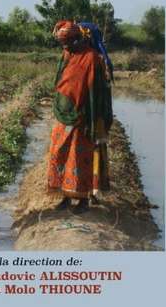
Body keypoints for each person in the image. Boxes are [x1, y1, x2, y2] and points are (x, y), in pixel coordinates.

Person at [47, 20, 113, 213]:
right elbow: (60, 80)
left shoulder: (92, 58)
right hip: (64, 114)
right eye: (63, 43)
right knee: (58, 153)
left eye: (68, 42)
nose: (65, 47)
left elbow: (96, 93)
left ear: (79, 39)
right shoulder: (67, 54)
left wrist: (90, 120)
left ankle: (83, 200)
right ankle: (65, 196)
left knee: (79, 158)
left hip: (82, 117)